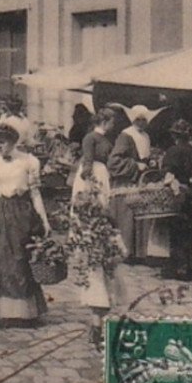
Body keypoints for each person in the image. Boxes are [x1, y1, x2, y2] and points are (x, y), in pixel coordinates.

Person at [0, 123, 50, 329]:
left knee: (21, 260)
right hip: (1, 214)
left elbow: (35, 193)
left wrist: (44, 220)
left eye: (3, 142)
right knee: (0, 259)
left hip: (22, 215)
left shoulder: (29, 162)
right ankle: (5, 313)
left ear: (14, 142)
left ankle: (25, 313)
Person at [69, 108, 126, 347]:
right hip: (92, 179)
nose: (114, 125)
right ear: (104, 120)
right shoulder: (90, 138)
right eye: (112, 121)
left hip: (104, 176)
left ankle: (100, 318)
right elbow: (88, 165)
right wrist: (92, 194)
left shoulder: (106, 139)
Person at [162, 119, 192, 280]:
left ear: (175, 136)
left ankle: (178, 268)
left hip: (177, 191)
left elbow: (168, 174)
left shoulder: (172, 151)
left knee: (177, 231)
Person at [107, 104, 152, 258]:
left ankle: (136, 252)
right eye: (138, 119)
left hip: (139, 181)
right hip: (126, 182)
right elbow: (113, 162)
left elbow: (144, 157)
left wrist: (149, 162)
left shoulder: (145, 136)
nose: (141, 122)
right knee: (126, 217)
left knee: (138, 215)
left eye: (144, 120)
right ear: (133, 119)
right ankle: (124, 251)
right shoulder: (125, 136)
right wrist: (135, 165)